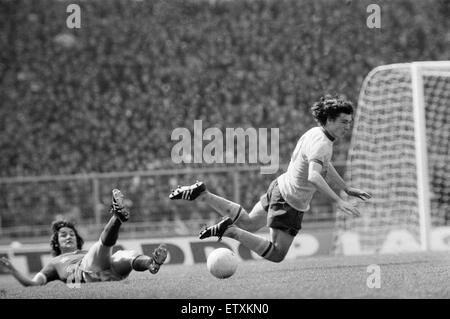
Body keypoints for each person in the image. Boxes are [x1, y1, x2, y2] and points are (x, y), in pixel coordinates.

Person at [169, 95, 371, 263]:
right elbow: (314, 176)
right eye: (344, 122)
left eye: (349, 122)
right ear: (329, 119)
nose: (348, 127)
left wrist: (345, 188)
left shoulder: (316, 133)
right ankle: (230, 231)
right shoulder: (323, 144)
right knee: (276, 254)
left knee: (248, 223)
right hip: (290, 200)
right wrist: (338, 200)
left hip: (280, 187)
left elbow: (323, 165)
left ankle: (204, 193)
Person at [0, 189, 167, 286]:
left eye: (71, 234)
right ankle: (117, 216)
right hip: (87, 274)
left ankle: (151, 263)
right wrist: (13, 271)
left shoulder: (83, 252)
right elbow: (34, 284)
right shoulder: (54, 264)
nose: (68, 237)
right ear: (56, 242)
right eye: (63, 235)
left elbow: (101, 257)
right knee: (100, 249)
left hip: (110, 274)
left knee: (125, 254)